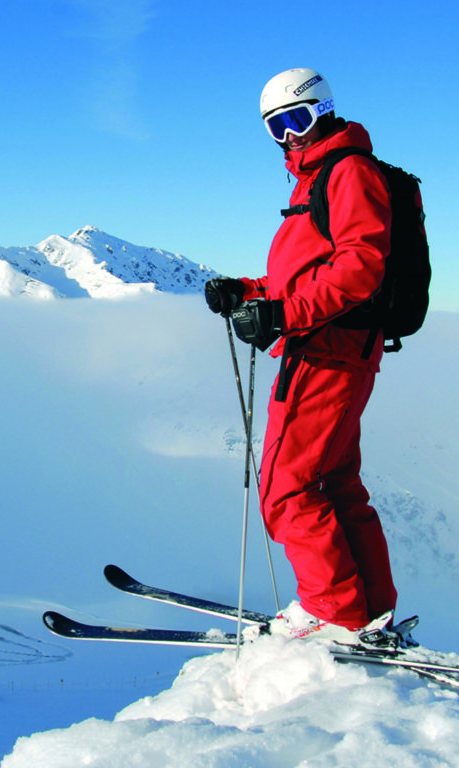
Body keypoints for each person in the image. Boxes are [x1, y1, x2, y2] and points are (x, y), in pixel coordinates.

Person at [205, 67, 398, 646]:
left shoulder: (347, 172)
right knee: (334, 483)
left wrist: (284, 316)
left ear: (325, 110)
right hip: (330, 345)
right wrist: (248, 290)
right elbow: (305, 274)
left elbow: (362, 264)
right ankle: (368, 610)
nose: (290, 136)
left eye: (299, 119)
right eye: (276, 128)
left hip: (326, 351)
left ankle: (334, 613)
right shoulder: (317, 179)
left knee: (287, 488)